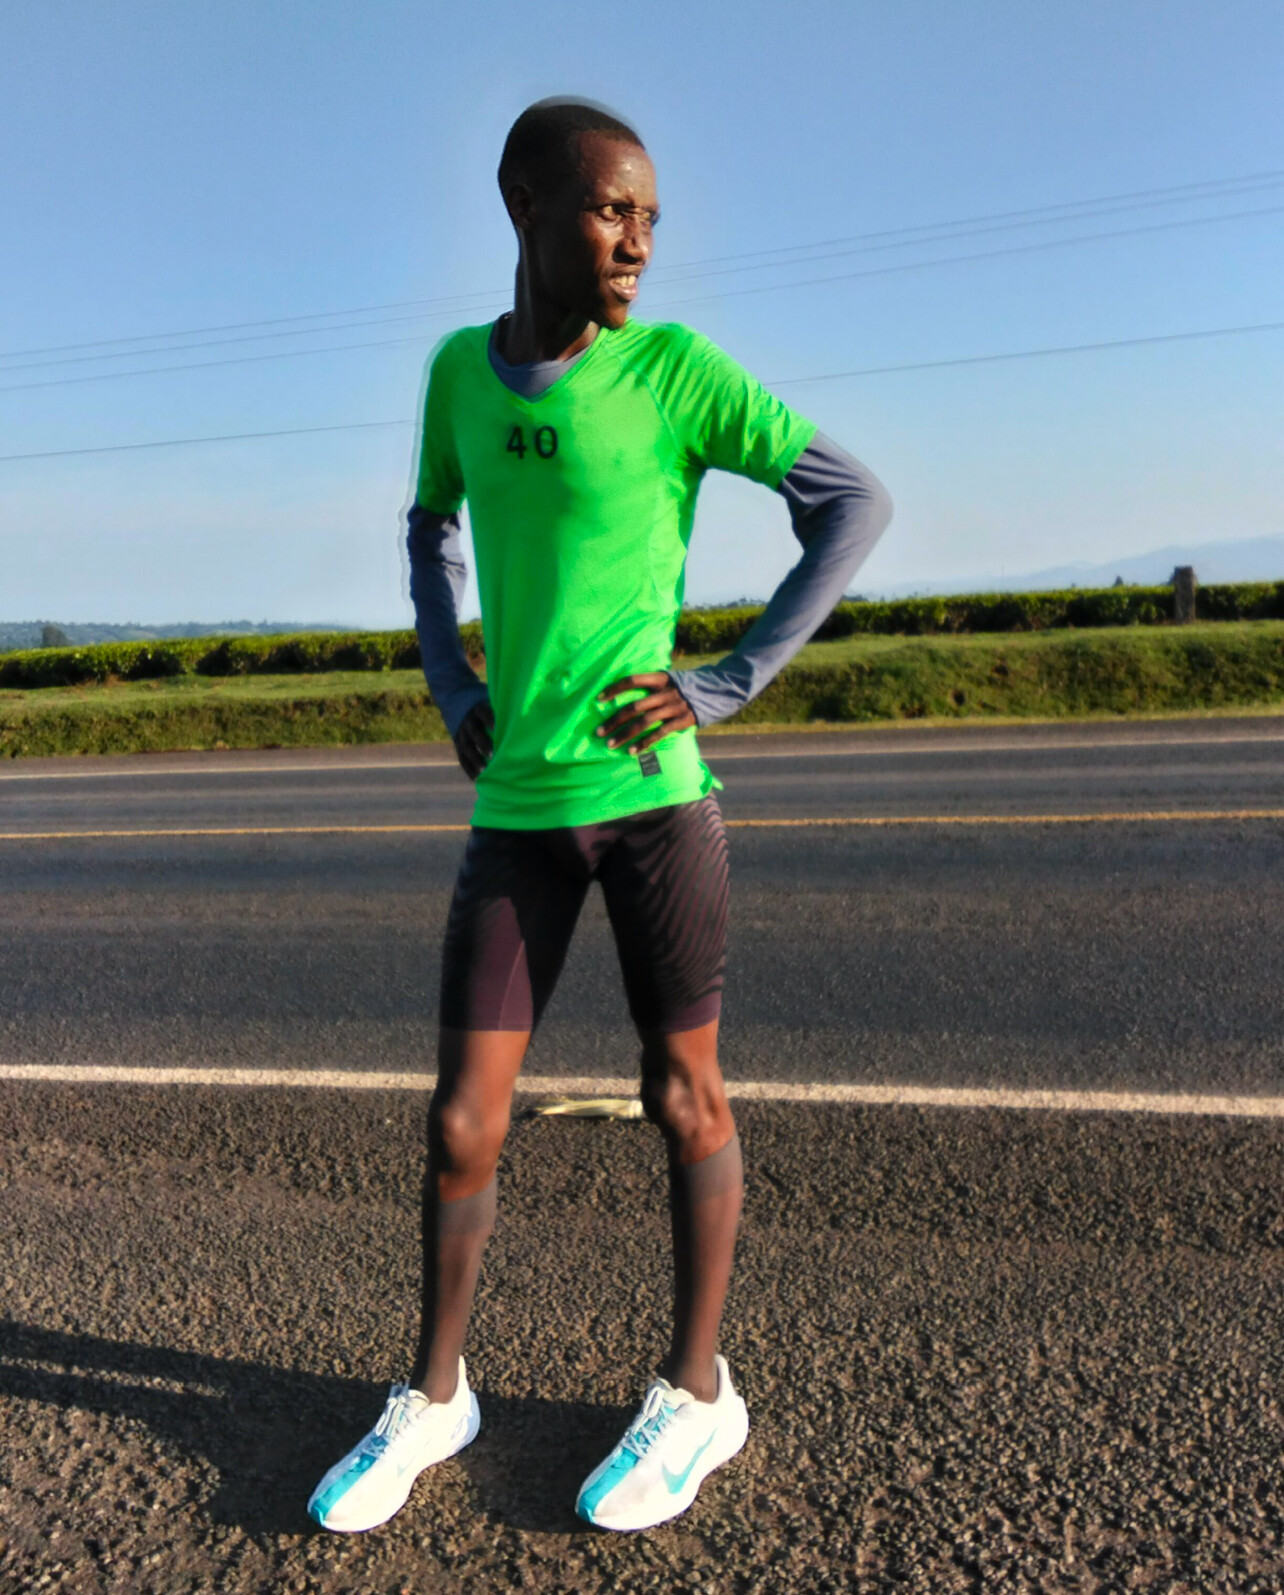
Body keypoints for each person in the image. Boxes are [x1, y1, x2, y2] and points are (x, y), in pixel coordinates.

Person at [308, 96, 892, 1537]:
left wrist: (727, 681)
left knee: (681, 1094)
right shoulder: (458, 374)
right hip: (518, 805)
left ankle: (698, 1395)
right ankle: (437, 1396)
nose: (638, 241)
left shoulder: (676, 371)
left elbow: (853, 504)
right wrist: (453, 680)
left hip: (653, 804)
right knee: (462, 1121)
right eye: (611, 210)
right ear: (526, 210)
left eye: (651, 219)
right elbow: (429, 525)